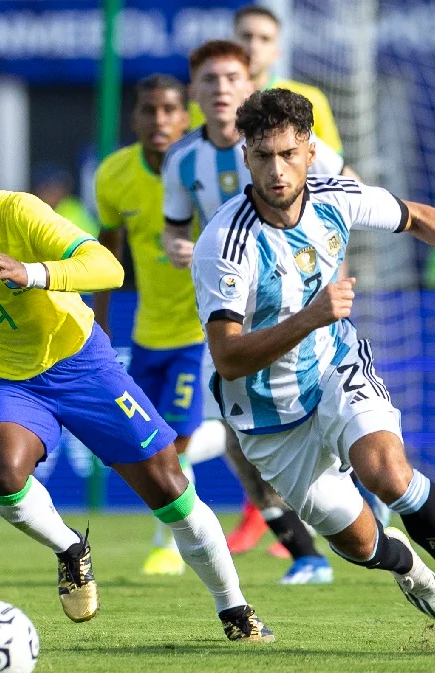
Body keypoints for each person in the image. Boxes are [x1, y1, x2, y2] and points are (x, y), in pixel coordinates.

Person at [0, 129, 272, 642]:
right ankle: (71, 549)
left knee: (170, 489)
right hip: (8, 378)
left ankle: (235, 608)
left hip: (82, 363)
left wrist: (29, 272)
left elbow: (108, 268)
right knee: (3, 476)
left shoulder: (22, 213)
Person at [191, 89, 435, 652]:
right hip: (269, 416)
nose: (277, 170)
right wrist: (310, 316)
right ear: (245, 157)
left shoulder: (336, 198)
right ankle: (406, 563)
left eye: (288, 154)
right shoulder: (224, 242)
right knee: (361, 543)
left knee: (388, 473)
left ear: (310, 152)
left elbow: (418, 217)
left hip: (334, 368)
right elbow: (228, 357)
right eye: (263, 156)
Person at [162, 39, 356, 585]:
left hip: (305, 304)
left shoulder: (294, 145)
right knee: (238, 439)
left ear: (250, 84)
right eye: (210, 80)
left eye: (232, 78)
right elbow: (173, 229)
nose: (221, 89)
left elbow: (349, 196)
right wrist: (177, 247)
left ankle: (364, 495)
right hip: (234, 315)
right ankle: (307, 553)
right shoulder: (183, 160)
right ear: (194, 91)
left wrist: (331, 265)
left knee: (325, 416)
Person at [92, 74, 206, 577]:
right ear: (134, 117)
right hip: (147, 334)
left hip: (201, 331)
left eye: (169, 109)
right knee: (147, 442)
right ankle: (227, 441)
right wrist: (99, 320)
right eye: (148, 109)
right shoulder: (113, 176)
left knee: (173, 445)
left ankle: (171, 544)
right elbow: (106, 252)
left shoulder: (205, 168)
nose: (159, 120)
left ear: (186, 116)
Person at [188, 4, 343, 154]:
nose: (253, 46)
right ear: (231, 42)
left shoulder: (310, 99)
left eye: (265, 39)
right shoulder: (203, 102)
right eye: (246, 36)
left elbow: (336, 164)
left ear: (277, 51)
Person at [32, 164, 100, 239]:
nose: (54, 192)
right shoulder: (37, 212)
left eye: (58, 185)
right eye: (48, 187)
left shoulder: (72, 210)